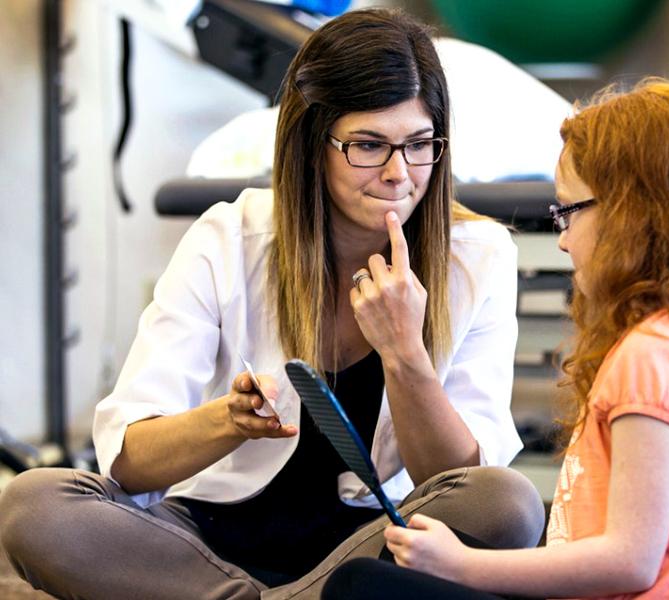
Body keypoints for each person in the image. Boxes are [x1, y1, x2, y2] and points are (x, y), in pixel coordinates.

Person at [0, 9, 544, 599]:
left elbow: (456, 483)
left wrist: (405, 354)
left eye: (418, 145)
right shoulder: (228, 238)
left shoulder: (478, 256)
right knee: (34, 505)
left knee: (507, 504)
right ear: (311, 144)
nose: (399, 173)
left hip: (374, 545)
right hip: (206, 539)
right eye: (368, 145)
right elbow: (128, 463)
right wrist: (225, 421)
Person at [321, 79, 669, 599]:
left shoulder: (652, 354)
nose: (563, 239)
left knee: (359, 583)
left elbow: (631, 561)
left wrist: (463, 566)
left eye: (568, 211)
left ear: (630, 213)